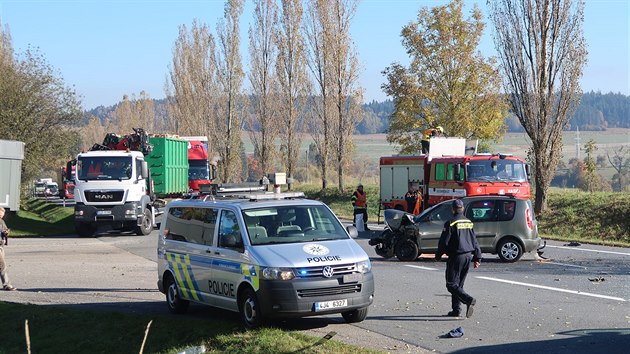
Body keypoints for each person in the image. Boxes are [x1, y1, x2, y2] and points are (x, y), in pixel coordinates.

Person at [435, 199, 481, 318]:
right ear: (463, 209)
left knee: (451, 284)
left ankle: (468, 299)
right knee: (458, 285)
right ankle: (456, 310)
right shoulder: (468, 222)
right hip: (468, 257)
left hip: (456, 256)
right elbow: (474, 241)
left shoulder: (451, 223)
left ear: (453, 209)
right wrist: (477, 257)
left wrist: (438, 255)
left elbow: (444, 242)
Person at [0, 207, 16, 291]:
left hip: (1, 246)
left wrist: (6, 232)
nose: (1, 216)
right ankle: (6, 285)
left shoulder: (2, 221)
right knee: (2, 266)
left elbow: (5, 231)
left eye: (2, 214)